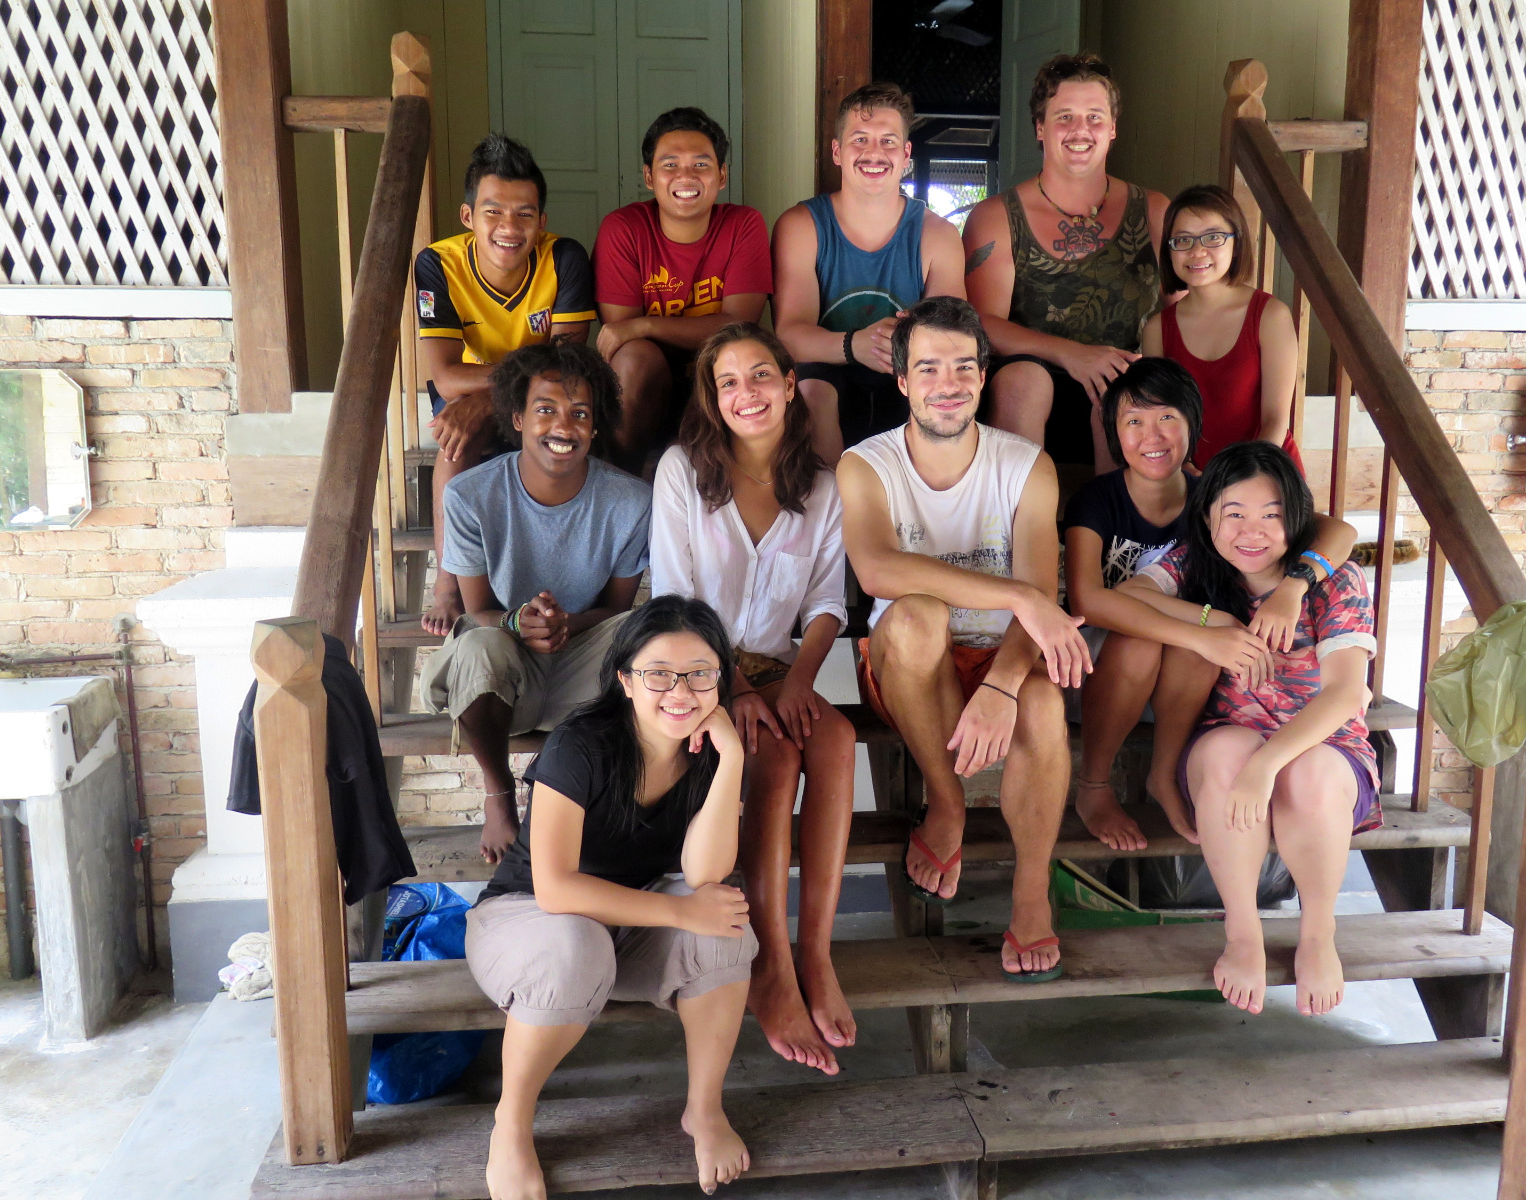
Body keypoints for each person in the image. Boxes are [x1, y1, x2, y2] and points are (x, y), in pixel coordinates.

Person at [466, 595, 757, 1199]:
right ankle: (511, 1126)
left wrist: (731, 760)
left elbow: (704, 874)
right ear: (625, 680)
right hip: (530, 921)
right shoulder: (581, 744)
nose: (680, 691)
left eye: (701, 673)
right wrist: (679, 910)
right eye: (658, 674)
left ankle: (703, 1110)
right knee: (575, 943)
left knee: (726, 924)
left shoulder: (709, 749)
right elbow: (554, 886)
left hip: (627, 923)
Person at [838, 296, 1092, 981]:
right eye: (927, 368)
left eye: (961, 367)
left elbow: (1040, 600)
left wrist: (1004, 686)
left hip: (1000, 655)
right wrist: (1014, 596)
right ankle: (946, 802)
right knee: (918, 614)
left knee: (1042, 705)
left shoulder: (1024, 465)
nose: (946, 383)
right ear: (902, 381)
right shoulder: (866, 465)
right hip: (907, 660)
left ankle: (1031, 889)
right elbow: (875, 569)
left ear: (983, 376)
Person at [650, 323, 856, 1075]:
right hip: (692, 668)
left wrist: (800, 678)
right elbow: (674, 597)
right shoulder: (683, 472)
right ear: (711, 397)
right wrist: (730, 687)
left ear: (790, 383)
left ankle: (816, 954)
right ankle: (769, 968)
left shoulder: (823, 485)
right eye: (728, 382)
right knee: (771, 754)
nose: (747, 394)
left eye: (761, 376)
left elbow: (830, 599)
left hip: (779, 669)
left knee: (832, 737)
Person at [1119, 441, 1381, 1017]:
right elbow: (1129, 596)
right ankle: (1243, 934)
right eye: (1233, 513)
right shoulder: (1196, 564)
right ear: (1207, 515)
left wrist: (1267, 767)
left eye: (1271, 515)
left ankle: (1317, 933)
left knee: (1306, 772)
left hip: (1327, 748)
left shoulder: (1337, 580)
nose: (1251, 531)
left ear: (1298, 519)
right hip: (1226, 742)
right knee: (1226, 754)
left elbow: (1344, 694)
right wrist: (1215, 622)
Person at [1062, 358, 1356, 852]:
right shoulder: (1097, 499)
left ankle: (1163, 773)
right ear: (1114, 434)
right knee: (1141, 643)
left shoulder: (1217, 499)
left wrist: (1294, 587)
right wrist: (1207, 625)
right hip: (1111, 664)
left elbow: (1338, 531)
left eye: (1167, 418)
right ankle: (1093, 786)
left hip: (1192, 677)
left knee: (1188, 650)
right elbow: (1090, 601)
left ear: (1193, 424)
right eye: (1133, 421)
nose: (1151, 436)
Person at [419, 341, 650, 864]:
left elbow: (617, 611)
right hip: (506, 665)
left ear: (596, 426)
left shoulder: (631, 502)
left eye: (580, 414)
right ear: (518, 418)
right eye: (545, 410)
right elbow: (476, 609)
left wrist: (567, 623)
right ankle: (500, 792)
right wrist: (518, 622)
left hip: (582, 660)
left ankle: (579, 785)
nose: (562, 427)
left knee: (650, 634)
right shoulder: (470, 495)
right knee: (478, 644)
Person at [416, 133, 598, 634]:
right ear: (468, 216)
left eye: (525, 214)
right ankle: (448, 586)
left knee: (558, 421)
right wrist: (483, 395)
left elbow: (565, 365)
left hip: (536, 391)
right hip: (469, 388)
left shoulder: (565, 258)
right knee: (454, 444)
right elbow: (447, 374)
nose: (509, 228)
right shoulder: (438, 263)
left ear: (542, 220)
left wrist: (491, 392)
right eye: (493, 212)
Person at [962, 54, 1168, 472]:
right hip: (1025, 389)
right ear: (1040, 128)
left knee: (1121, 386)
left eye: (1094, 117)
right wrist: (1073, 354)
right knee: (1026, 381)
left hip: (1120, 387)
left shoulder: (1156, 211)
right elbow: (981, 323)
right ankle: (1017, 527)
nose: (1080, 130)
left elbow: (1183, 312)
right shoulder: (996, 218)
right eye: (1065, 117)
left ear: (1112, 128)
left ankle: (1117, 528)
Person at [774, 82, 966, 465]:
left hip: (904, 376)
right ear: (837, 151)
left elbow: (952, 339)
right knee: (812, 382)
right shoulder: (802, 225)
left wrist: (897, 344)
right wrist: (853, 345)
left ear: (907, 154)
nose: (874, 153)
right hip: (827, 377)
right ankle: (832, 512)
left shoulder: (937, 235)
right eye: (860, 139)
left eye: (888, 141)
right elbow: (790, 336)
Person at [593, 107, 773, 474]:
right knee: (634, 358)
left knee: (739, 358)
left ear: (722, 175)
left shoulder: (743, 224)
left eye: (701, 165)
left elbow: (737, 327)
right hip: (644, 385)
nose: (686, 176)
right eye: (670, 164)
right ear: (649, 176)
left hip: (716, 379)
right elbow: (620, 340)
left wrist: (647, 324)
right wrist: (638, 332)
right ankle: (620, 485)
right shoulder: (623, 229)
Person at [1142, 184, 1304, 471]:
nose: (1197, 251)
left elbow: (1276, 421)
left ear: (1236, 242)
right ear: (1169, 250)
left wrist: (1237, 479)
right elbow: (1162, 419)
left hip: (1264, 472)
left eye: (1213, 237)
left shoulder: (1270, 315)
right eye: (1183, 240)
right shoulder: (1157, 329)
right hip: (1189, 477)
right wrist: (1184, 468)